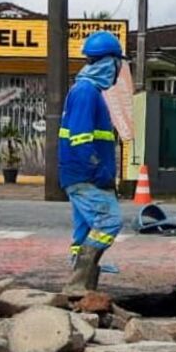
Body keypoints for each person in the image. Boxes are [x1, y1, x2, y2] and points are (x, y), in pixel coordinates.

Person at [61, 31, 124, 296]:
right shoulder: (87, 92)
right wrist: (99, 172)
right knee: (109, 221)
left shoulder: (86, 90)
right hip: (86, 176)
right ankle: (77, 283)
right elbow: (81, 139)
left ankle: (82, 294)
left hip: (78, 175)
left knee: (83, 231)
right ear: (110, 62)